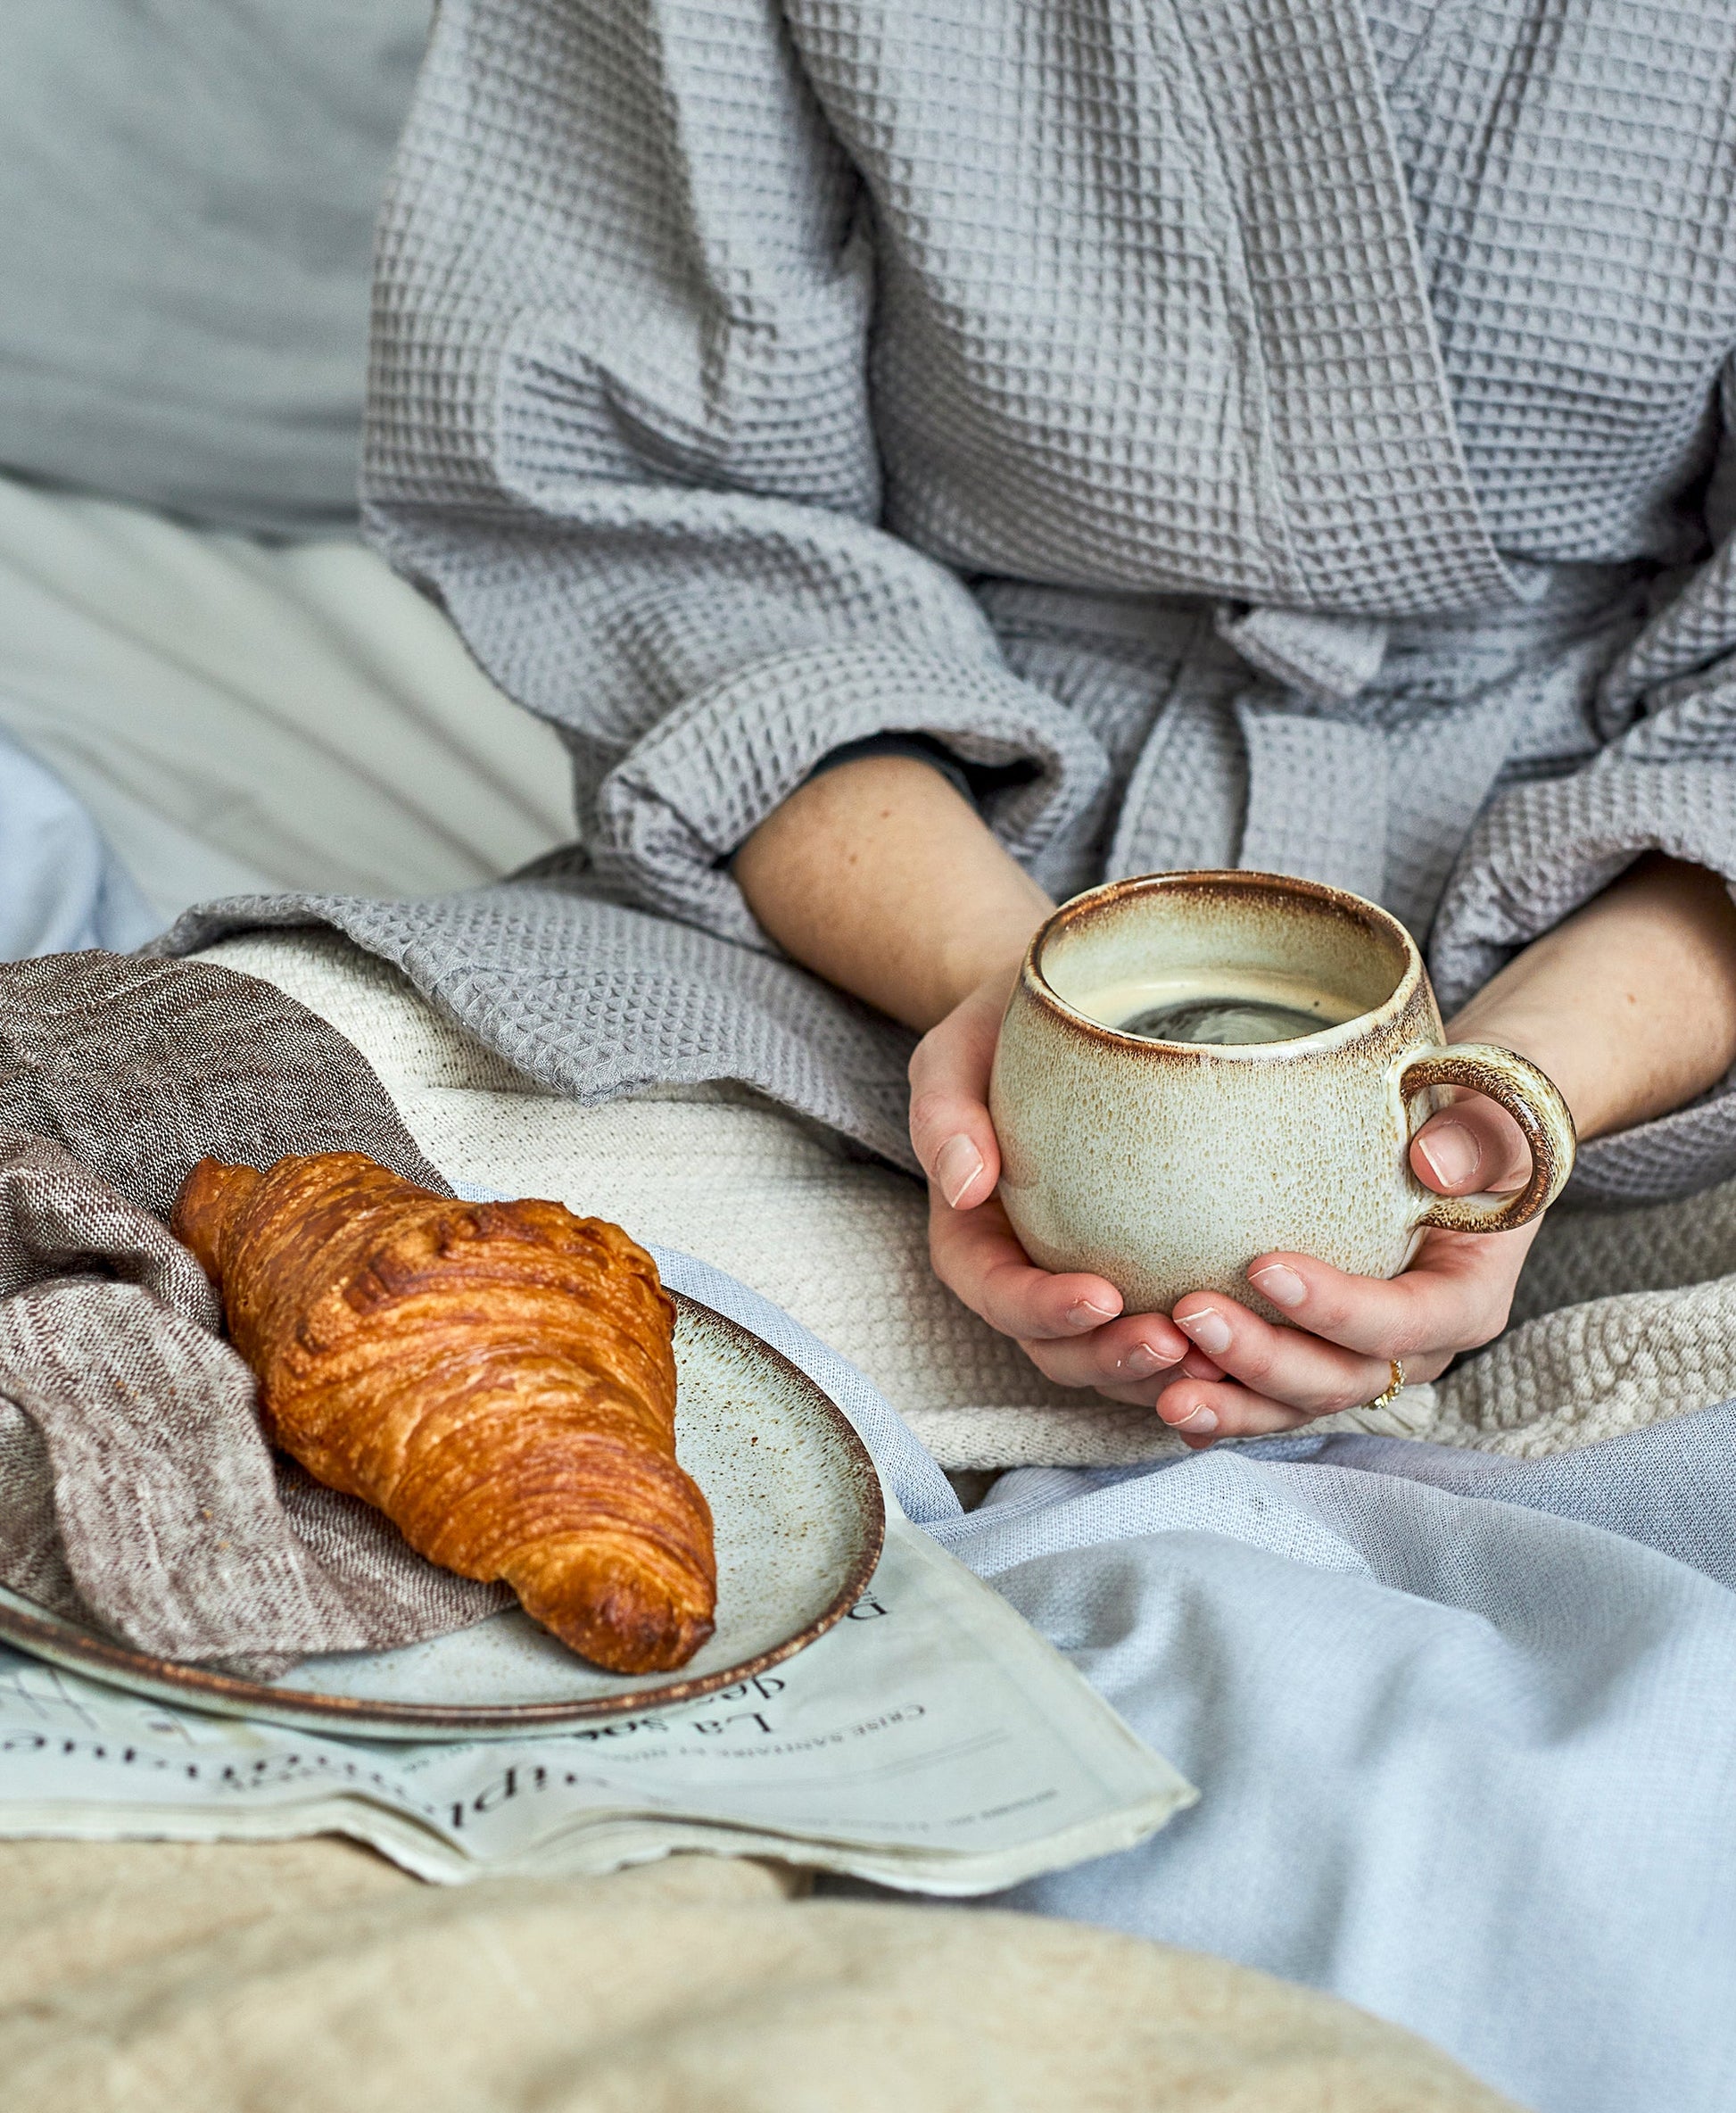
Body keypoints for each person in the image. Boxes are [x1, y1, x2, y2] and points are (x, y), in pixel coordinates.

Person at [362, 0, 1736, 1437]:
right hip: (905, 878)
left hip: (1628, 953)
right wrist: (1015, 1017)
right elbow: (668, 530)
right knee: (324, 1184)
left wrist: (1521, 1097)